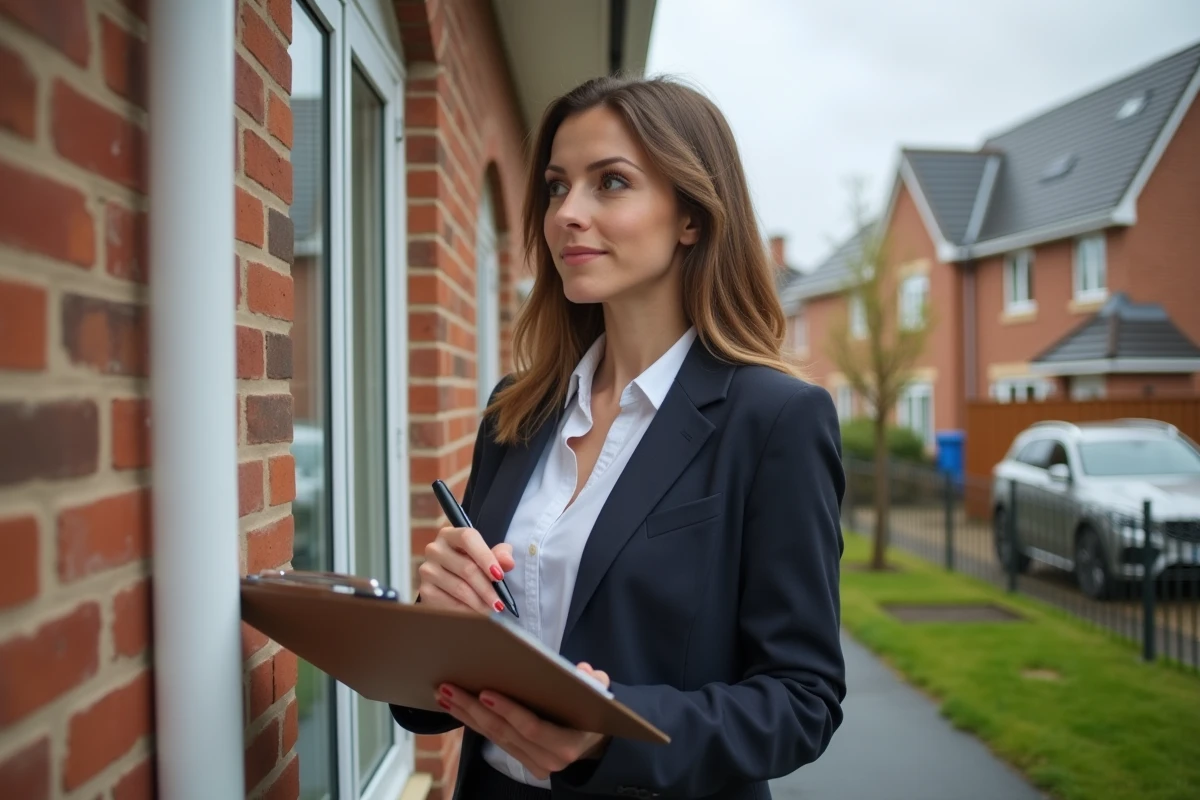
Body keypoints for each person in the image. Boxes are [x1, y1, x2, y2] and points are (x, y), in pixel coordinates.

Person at [390, 74, 846, 800]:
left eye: (610, 182)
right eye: (555, 186)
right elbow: (426, 703)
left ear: (691, 216)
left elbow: (802, 701)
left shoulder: (776, 420)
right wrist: (439, 614)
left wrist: (611, 730)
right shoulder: (518, 410)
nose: (567, 213)